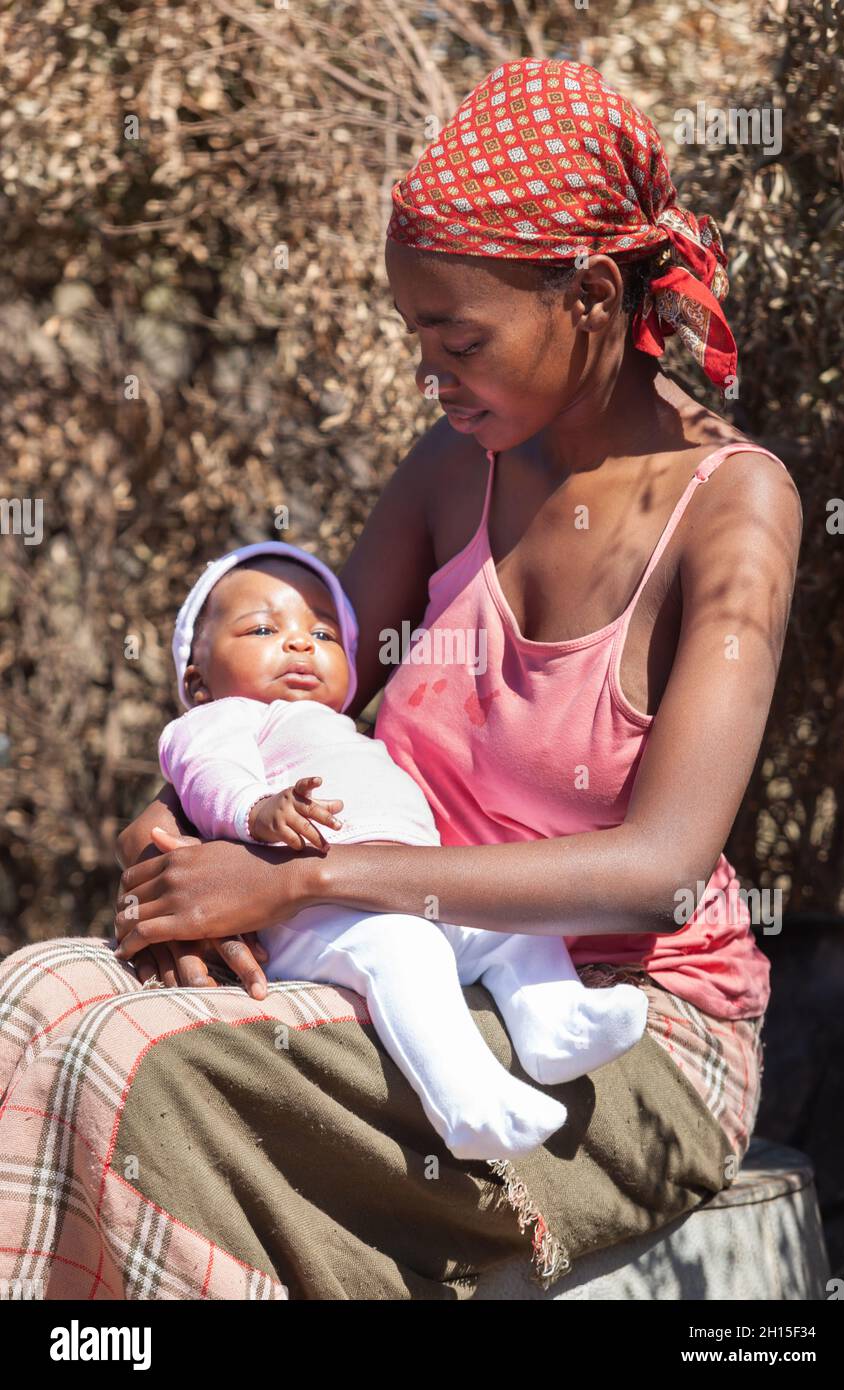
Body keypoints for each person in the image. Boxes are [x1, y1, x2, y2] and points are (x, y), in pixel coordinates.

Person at [0, 57, 801, 1300]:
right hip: (399, 946)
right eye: (414, 336)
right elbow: (267, 711)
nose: (429, 373)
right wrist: (165, 855)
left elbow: (653, 874)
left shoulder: (732, 504)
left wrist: (292, 878)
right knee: (38, 989)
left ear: (590, 293)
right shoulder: (450, 469)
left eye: (458, 337)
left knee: (151, 1072)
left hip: (621, 1021)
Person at [154, 538, 648, 1160]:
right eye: (262, 628)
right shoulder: (222, 719)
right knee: (404, 951)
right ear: (196, 680)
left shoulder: (352, 732)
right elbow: (204, 775)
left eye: (324, 634)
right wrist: (255, 810)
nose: (302, 642)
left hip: (396, 893)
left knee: (512, 927)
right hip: (307, 919)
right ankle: (469, 1103)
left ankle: (557, 1024)